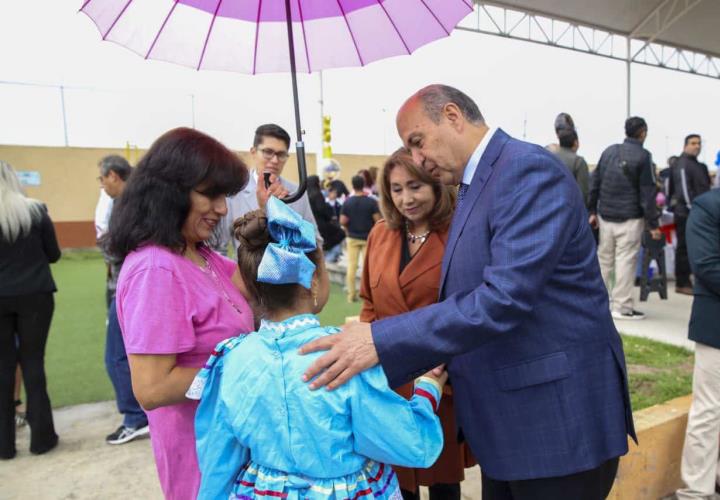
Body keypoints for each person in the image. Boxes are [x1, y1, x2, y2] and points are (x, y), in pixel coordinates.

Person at [300, 85, 635, 500]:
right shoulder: (477, 183)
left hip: (556, 425)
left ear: (453, 116)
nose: (418, 159)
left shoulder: (525, 170)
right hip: (512, 425)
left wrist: (381, 340)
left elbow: (502, 298)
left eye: (418, 142)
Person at [189, 197, 446, 499]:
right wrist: (428, 390)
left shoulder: (230, 358)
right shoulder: (343, 355)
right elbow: (410, 444)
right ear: (313, 279)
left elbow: (218, 458)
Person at [108, 128, 255, 499]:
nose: (222, 208)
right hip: (201, 460)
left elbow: (264, 295)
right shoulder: (156, 269)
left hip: (232, 448)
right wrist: (248, 371)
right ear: (169, 190)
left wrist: (275, 230)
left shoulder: (200, 256)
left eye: (224, 196)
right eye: (210, 194)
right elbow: (153, 388)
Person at [360, 149, 473, 500]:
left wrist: (448, 369)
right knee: (396, 483)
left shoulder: (459, 234)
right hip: (387, 382)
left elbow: (471, 309)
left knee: (442, 483)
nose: (406, 199)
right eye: (396, 189)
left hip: (439, 381)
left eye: (415, 187)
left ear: (436, 185)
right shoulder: (380, 234)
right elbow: (368, 302)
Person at [0, 161, 61, 459]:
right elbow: (54, 254)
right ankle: (42, 438)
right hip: (36, 295)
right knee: (33, 362)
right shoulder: (36, 211)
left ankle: (4, 444)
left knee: (3, 367)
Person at [96, 155, 149, 445]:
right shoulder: (134, 200)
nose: (102, 184)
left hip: (128, 288)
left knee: (116, 356)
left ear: (114, 175)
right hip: (130, 286)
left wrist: (104, 244)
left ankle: (135, 417)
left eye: (102, 178)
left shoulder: (130, 204)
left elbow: (121, 248)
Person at [588, 117, 661, 320]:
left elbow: (595, 182)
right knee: (625, 262)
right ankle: (622, 306)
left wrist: (591, 211)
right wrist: (653, 224)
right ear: (643, 132)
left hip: (605, 216)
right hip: (630, 218)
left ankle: (597, 302)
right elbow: (647, 194)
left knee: (604, 261)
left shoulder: (609, 151)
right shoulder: (644, 156)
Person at [676, 188, 720, 499]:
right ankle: (696, 491)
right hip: (716, 326)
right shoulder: (708, 207)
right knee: (710, 410)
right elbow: (706, 265)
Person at [215, 123, 318, 255]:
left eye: (281, 154)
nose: (275, 160)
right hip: (245, 274)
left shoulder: (297, 192)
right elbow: (219, 247)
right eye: (268, 152)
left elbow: (315, 241)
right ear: (253, 152)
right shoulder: (235, 191)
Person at [668, 134, 710, 295]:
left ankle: (696, 279)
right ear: (686, 145)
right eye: (693, 143)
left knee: (701, 247)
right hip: (687, 214)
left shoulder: (700, 166)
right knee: (684, 248)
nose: (697, 146)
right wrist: (695, 211)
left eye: (699, 143)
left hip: (701, 214)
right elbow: (684, 191)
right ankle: (682, 281)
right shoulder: (682, 164)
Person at [340, 175, 381, 302]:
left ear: (352, 185)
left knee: (352, 266)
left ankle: (351, 295)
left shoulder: (348, 202)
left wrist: (348, 229)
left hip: (352, 237)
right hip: (368, 238)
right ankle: (368, 295)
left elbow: (342, 221)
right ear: (363, 185)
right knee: (368, 267)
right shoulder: (371, 202)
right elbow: (378, 220)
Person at [306, 175, 345, 263]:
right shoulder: (317, 194)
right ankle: (328, 254)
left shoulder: (305, 195)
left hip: (310, 224)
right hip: (321, 224)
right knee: (341, 233)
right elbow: (322, 209)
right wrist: (330, 216)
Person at [550, 129, 589, 206]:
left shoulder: (551, 157)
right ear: (576, 143)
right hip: (570, 208)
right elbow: (583, 192)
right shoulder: (579, 161)